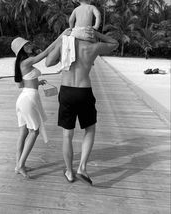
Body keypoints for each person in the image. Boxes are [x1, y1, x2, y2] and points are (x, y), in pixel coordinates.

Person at [45, 29, 118, 185]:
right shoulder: (94, 47)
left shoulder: (64, 42)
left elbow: (48, 62)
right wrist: (97, 34)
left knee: (67, 135)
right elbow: (114, 43)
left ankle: (69, 172)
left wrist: (62, 38)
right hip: (84, 91)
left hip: (66, 90)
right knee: (90, 129)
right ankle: (82, 167)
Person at [11, 35, 63, 179]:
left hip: (23, 98)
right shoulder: (27, 61)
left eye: (29, 43)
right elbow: (45, 53)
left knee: (23, 133)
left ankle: (18, 164)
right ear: (22, 49)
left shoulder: (20, 63)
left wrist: (37, 83)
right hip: (29, 98)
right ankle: (20, 165)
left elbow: (21, 85)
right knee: (34, 132)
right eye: (26, 45)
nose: (30, 45)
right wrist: (60, 37)